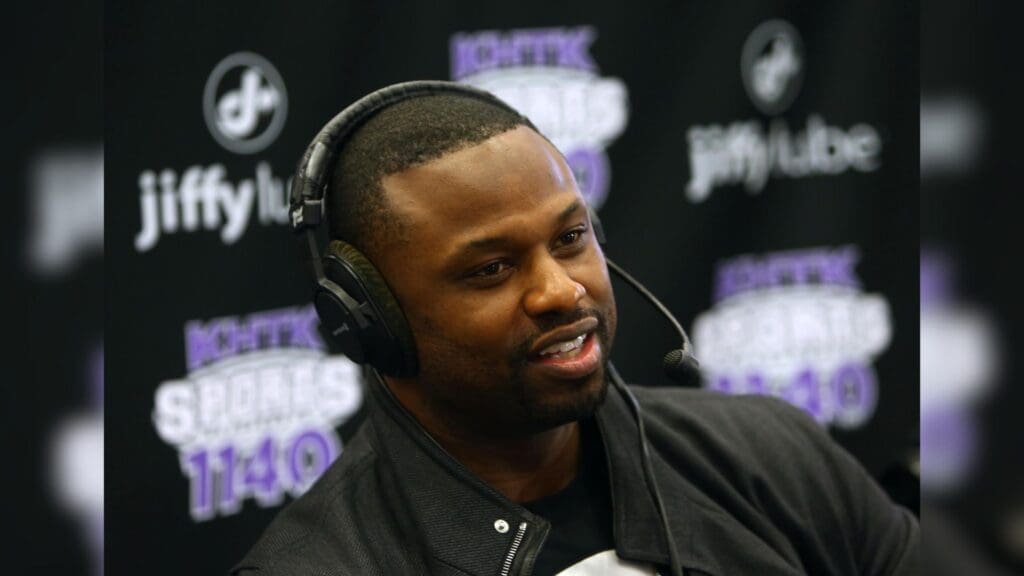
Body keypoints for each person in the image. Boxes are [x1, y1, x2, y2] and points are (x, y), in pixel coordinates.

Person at [232, 83, 918, 576]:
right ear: (368, 317)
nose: (561, 290)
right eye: (492, 269)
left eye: (569, 238)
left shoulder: (772, 455)